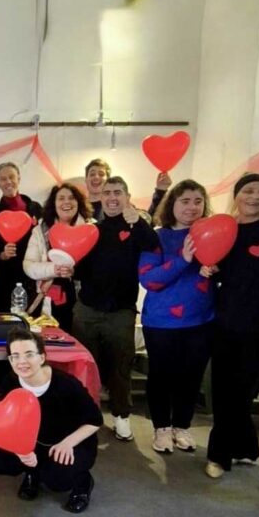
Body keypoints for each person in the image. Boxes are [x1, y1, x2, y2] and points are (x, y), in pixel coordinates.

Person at [201, 174, 259, 478]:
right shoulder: (227, 229)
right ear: (236, 196)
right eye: (248, 190)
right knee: (223, 386)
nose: (255, 196)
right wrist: (209, 268)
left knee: (243, 388)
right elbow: (217, 265)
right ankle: (246, 447)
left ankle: (218, 455)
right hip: (226, 318)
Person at [71, 177, 159, 442]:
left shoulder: (137, 226)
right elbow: (80, 270)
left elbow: (154, 245)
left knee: (121, 367)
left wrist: (138, 221)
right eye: (107, 192)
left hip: (121, 311)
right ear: (100, 197)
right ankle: (86, 416)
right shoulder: (92, 230)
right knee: (85, 367)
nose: (112, 197)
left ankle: (121, 416)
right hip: (87, 309)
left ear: (127, 196)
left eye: (117, 192)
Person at [139, 179, 215, 455]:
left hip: (202, 319)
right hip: (161, 322)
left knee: (191, 377)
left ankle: (181, 426)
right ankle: (161, 427)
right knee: (161, 376)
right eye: (185, 201)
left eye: (198, 201)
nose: (192, 207)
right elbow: (149, 279)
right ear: (172, 204)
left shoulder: (212, 234)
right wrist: (183, 259)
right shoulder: (156, 236)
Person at [0, 328, 101, 513]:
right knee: (1, 462)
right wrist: (20, 450)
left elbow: (95, 420)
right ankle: (32, 474)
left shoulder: (66, 384)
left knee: (57, 480)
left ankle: (83, 483)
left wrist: (68, 443)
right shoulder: (10, 383)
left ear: (41, 357)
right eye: (15, 356)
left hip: (70, 441)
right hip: (35, 441)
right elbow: (9, 422)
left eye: (29, 354)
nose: (22, 361)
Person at [0, 162, 42, 394]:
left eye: (11, 177)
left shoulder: (35, 208)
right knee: (4, 333)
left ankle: (34, 384)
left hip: (34, 280)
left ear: (19, 178)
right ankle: (4, 386)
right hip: (6, 281)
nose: (8, 182)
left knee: (32, 331)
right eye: (3, 179)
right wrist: (2, 254)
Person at [23, 182, 93, 332]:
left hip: (82, 303)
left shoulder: (91, 229)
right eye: (61, 198)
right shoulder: (40, 231)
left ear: (78, 203)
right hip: (45, 298)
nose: (66, 202)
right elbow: (28, 265)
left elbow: (96, 269)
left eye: (71, 198)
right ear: (53, 204)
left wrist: (74, 272)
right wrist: (55, 269)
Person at [84, 158, 169, 221]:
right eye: (92, 174)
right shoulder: (80, 207)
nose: (96, 177)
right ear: (86, 180)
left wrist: (160, 190)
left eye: (101, 174)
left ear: (108, 181)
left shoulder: (122, 205)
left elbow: (147, 221)